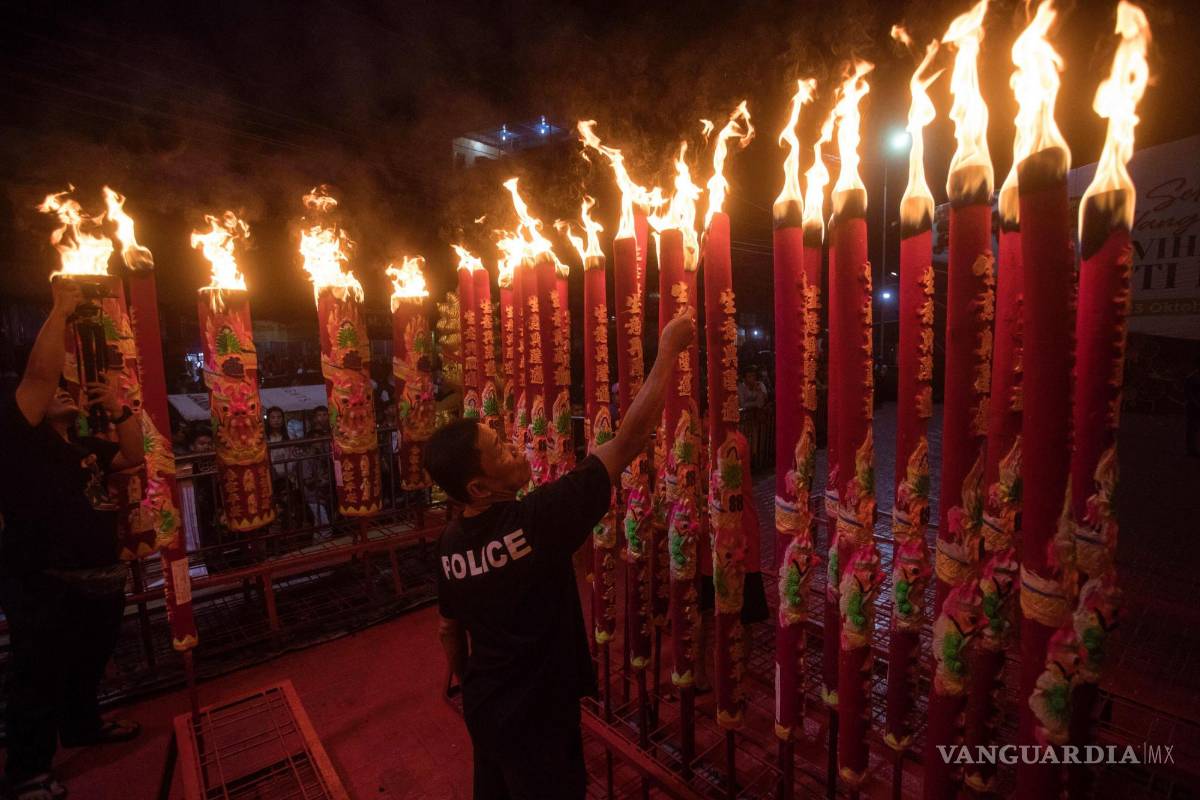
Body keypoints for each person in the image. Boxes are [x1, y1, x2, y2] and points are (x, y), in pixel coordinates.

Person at [427, 311, 695, 800]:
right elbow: (630, 439)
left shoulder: (449, 544)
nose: (513, 446)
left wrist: (469, 681)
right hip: (540, 712)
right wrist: (668, 353)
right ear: (479, 486)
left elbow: (448, 628)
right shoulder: (536, 522)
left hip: (486, 707)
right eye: (499, 449)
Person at [0, 280, 144, 800]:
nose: (60, 389)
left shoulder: (83, 443)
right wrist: (60, 306)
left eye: (68, 387)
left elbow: (133, 457)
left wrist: (121, 410)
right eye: (51, 389)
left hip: (98, 578)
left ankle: (83, 727)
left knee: (87, 663)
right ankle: (26, 773)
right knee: (39, 676)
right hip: (44, 579)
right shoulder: (20, 441)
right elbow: (39, 376)